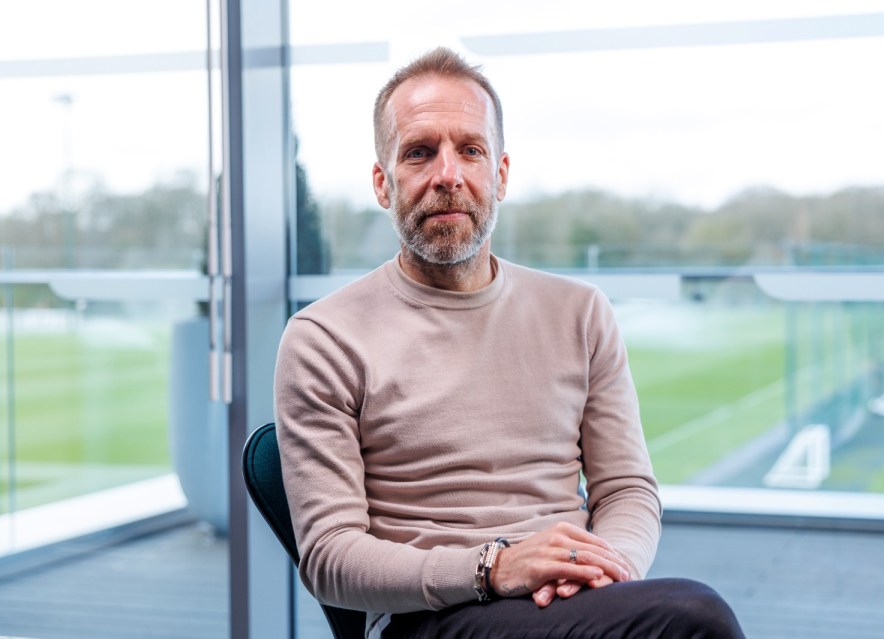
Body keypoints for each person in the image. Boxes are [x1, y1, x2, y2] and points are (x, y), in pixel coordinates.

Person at [274, 47, 745, 638]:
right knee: (695, 620)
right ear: (382, 183)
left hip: (573, 603)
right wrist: (493, 567)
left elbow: (626, 489)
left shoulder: (580, 313)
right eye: (420, 153)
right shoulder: (323, 339)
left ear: (499, 173)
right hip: (430, 618)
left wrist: (598, 570)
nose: (448, 175)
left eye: (469, 150)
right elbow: (331, 557)